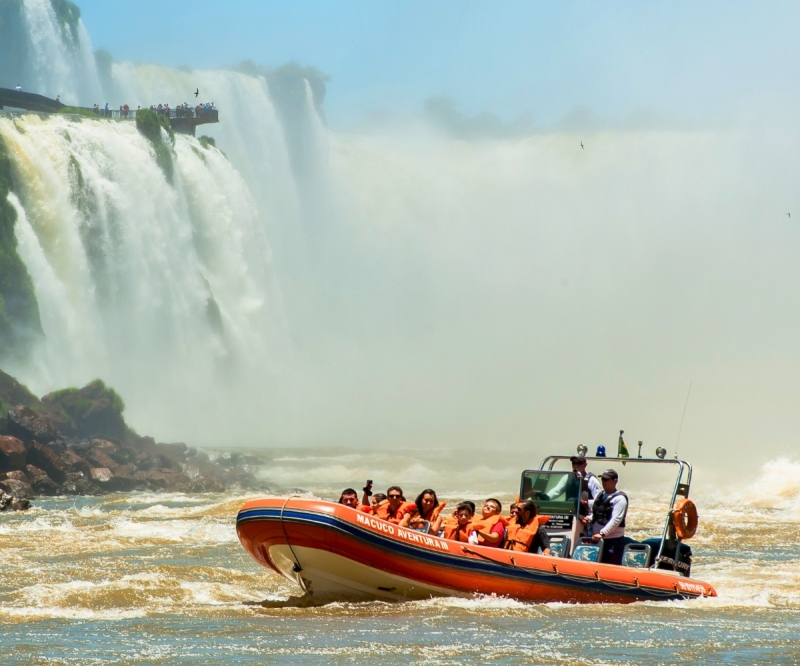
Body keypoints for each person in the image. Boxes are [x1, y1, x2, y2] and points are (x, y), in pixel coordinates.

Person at [589, 469, 628, 566]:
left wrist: (602, 533)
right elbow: (597, 513)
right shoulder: (600, 495)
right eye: (602, 479)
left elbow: (616, 520)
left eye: (606, 480)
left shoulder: (620, 499)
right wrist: (589, 518)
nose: (603, 482)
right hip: (597, 540)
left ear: (615, 481)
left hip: (613, 541)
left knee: (611, 566)